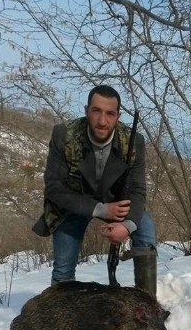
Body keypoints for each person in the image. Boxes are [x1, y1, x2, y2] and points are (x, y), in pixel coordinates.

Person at [32, 85, 158, 296]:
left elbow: (137, 190)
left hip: (115, 202)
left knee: (144, 225)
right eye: (96, 111)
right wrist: (100, 210)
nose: (102, 121)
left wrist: (126, 226)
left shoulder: (134, 141)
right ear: (86, 110)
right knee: (63, 272)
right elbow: (54, 188)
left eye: (110, 113)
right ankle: (61, 313)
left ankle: (146, 303)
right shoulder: (64, 135)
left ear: (118, 116)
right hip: (73, 205)